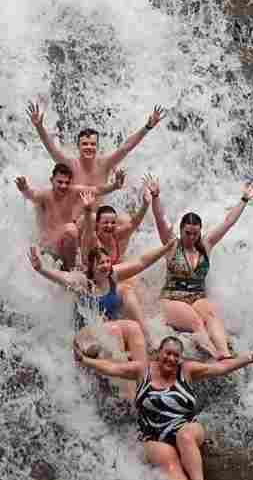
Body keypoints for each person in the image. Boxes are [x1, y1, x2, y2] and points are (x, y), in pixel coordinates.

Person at [73, 332, 253, 480]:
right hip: (153, 435)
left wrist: (249, 358)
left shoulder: (188, 370)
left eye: (176, 355)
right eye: (168, 353)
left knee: (185, 436)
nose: (171, 358)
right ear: (159, 353)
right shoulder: (142, 370)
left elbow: (220, 368)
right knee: (170, 461)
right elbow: (112, 368)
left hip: (186, 427)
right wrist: (84, 360)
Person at [28, 218, 177, 399]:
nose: (106, 266)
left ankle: (145, 384)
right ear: (92, 266)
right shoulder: (83, 282)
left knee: (133, 327)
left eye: (107, 261)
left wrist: (165, 248)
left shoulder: (112, 276)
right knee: (113, 331)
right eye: (101, 263)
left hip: (109, 331)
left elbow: (141, 262)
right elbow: (62, 277)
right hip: (85, 336)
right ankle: (130, 398)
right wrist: (41, 269)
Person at [153, 180, 253, 358]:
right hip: (171, 299)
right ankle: (215, 355)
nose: (192, 237)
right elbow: (159, 220)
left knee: (211, 314)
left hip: (197, 297)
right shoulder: (171, 244)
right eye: (188, 233)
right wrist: (156, 197)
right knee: (196, 322)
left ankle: (225, 355)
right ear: (181, 230)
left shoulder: (206, 245)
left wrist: (244, 199)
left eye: (195, 233)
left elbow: (228, 222)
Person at [27, 100, 164, 229]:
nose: (89, 147)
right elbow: (52, 148)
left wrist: (147, 127)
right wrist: (39, 127)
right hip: (73, 222)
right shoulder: (70, 164)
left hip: (96, 221)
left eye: (92, 144)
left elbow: (126, 147)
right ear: (78, 147)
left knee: (126, 222)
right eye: (85, 144)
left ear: (97, 146)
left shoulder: (105, 163)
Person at [78, 173, 158, 324]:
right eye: (105, 223)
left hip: (111, 277)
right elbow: (88, 230)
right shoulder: (92, 239)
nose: (109, 226)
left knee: (136, 283)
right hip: (94, 282)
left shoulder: (117, 235)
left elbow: (133, 224)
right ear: (98, 224)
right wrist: (88, 210)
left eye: (113, 223)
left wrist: (146, 204)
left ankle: (149, 319)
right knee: (127, 289)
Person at [14, 162, 123, 269]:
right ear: (52, 181)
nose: (63, 186)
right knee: (71, 229)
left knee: (92, 218)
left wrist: (114, 186)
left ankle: (91, 261)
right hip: (50, 246)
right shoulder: (45, 195)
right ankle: (71, 270)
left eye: (67, 182)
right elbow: (32, 195)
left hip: (68, 239)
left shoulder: (73, 191)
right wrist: (24, 189)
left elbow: (96, 190)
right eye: (60, 182)